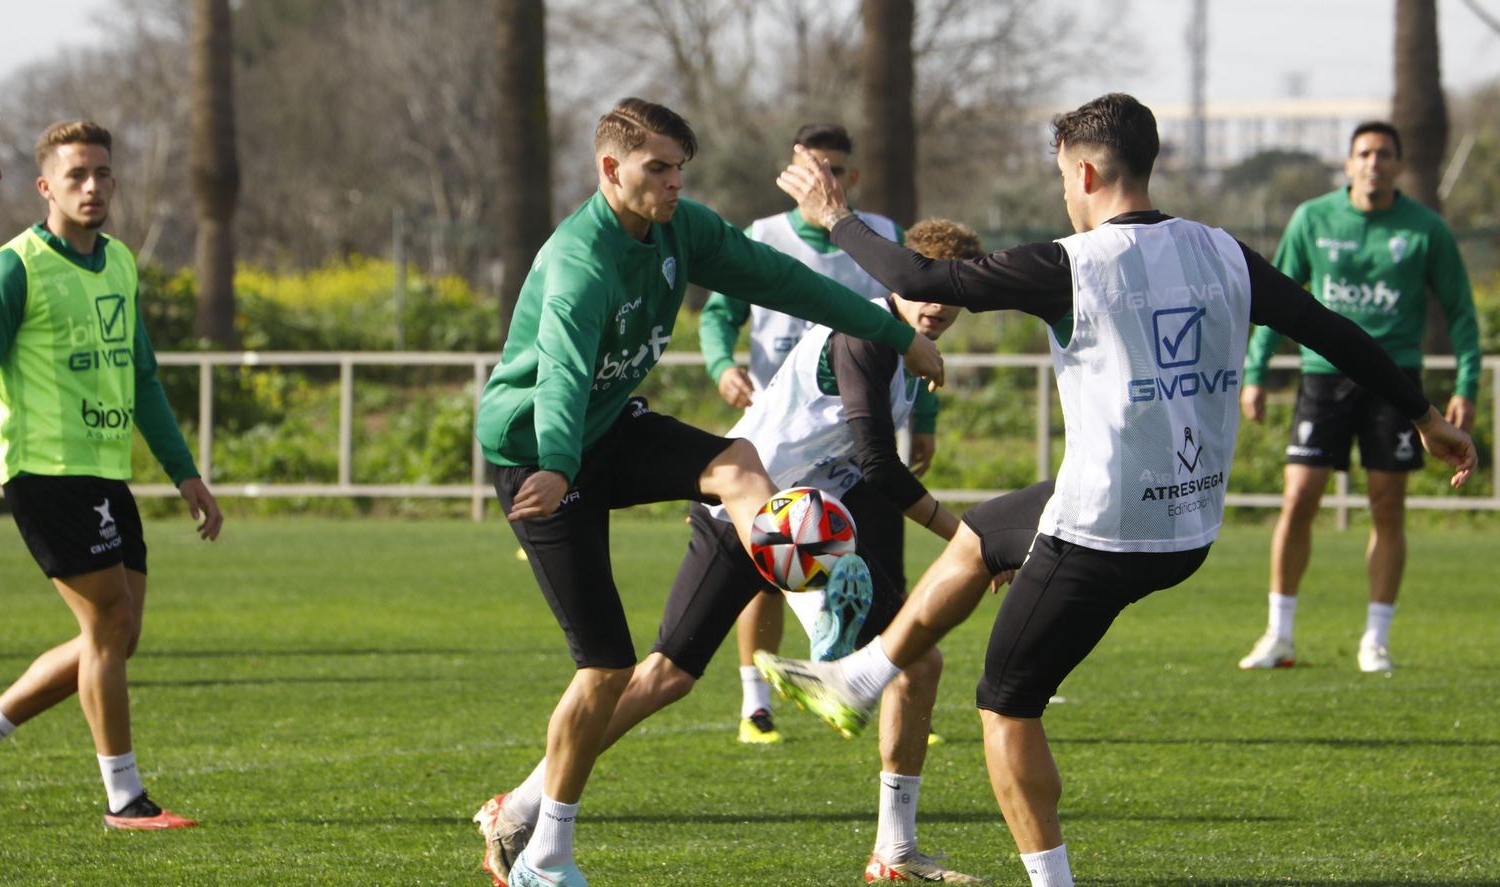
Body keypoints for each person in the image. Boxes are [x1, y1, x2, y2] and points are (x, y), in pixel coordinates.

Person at [751, 93, 1478, 887]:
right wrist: (1423, 414)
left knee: (1005, 706)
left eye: (1065, 176)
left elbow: (915, 274)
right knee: (984, 532)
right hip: (1188, 520)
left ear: (1088, 169)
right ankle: (863, 675)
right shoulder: (1221, 251)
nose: (1065, 192)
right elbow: (1332, 330)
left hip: (1102, 532)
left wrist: (836, 219)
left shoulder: (1074, 263)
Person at [472, 97, 942, 887]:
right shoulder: (580, 263)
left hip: (606, 428)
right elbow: (558, 374)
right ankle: (539, 849)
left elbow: (786, 282)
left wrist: (899, 332)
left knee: (735, 462)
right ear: (609, 168)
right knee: (608, 670)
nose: (673, 182)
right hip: (539, 462)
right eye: (658, 167)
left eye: (679, 167)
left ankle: (818, 592)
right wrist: (555, 462)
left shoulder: (681, 230)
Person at [0, 120, 222, 830]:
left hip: (106, 473)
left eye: (101, 174)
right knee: (110, 623)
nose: (91, 187)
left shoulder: (121, 262)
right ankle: (124, 798)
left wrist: (185, 472)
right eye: (75, 176)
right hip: (45, 472)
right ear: (45, 187)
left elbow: (145, 377)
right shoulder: (14, 267)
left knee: (117, 637)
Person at [698, 123, 939, 744]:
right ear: (792, 167)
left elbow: (913, 327)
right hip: (782, 425)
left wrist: (925, 418)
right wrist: (722, 364)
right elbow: (720, 313)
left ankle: (872, 688)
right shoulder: (765, 236)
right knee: (776, 562)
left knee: (870, 566)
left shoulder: (880, 237)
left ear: (851, 178)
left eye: (834, 167)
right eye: (812, 164)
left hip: (856, 437)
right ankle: (759, 704)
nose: (822, 176)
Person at [1238, 120, 1481, 673]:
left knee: (1387, 506)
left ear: (1398, 164)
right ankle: (1278, 634)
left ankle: (1376, 639)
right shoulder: (1313, 218)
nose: (1374, 162)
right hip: (1322, 378)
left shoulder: (1426, 230)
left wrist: (1466, 385)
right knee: (1298, 497)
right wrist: (1256, 371)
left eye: (1384, 154)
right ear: (1348, 164)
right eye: (1364, 153)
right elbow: (1278, 297)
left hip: (1396, 384)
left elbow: (1462, 312)